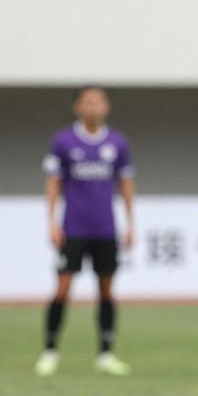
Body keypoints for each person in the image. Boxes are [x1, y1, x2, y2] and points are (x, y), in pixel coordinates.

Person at [34, 86, 135, 377]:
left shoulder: (117, 142)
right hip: (73, 228)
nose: (93, 107)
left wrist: (130, 223)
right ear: (77, 107)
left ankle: (106, 354)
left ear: (107, 106)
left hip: (105, 228)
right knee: (63, 287)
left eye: (98, 102)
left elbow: (126, 183)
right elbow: (53, 183)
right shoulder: (64, 141)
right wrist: (52, 222)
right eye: (88, 102)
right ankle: (50, 351)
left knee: (106, 289)